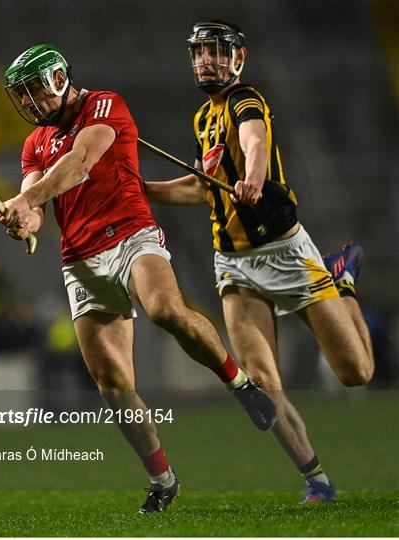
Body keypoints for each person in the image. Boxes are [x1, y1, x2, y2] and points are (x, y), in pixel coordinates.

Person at [0, 43, 277, 514]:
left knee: (167, 310)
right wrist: (23, 219)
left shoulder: (104, 105)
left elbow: (81, 163)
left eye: (33, 91)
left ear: (60, 79)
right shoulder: (35, 143)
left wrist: (31, 198)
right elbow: (36, 204)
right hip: (81, 259)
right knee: (112, 384)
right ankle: (163, 480)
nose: (29, 103)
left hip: (132, 235)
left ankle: (239, 384)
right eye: (21, 95)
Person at [144, 21, 375, 504]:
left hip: (285, 252)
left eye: (217, 52)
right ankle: (317, 480)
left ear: (237, 58)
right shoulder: (201, 118)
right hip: (233, 264)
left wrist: (253, 175)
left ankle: (342, 280)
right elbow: (199, 189)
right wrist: (140, 190)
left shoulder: (245, 100)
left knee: (357, 374)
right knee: (262, 383)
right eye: (200, 53)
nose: (208, 60)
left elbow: (254, 142)